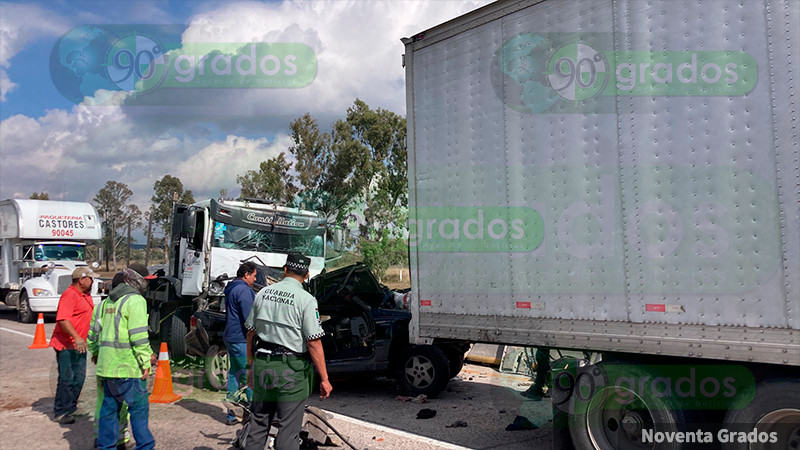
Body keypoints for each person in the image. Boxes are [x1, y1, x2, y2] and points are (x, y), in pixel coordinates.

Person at [244, 252, 332, 450]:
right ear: (307, 274)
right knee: (288, 429)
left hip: (262, 364)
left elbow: (250, 334)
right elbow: (314, 342)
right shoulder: (306, 300)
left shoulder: (262, 294)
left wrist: (250, 367)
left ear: (284, 270)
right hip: (290, 370)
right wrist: (325, 379)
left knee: (258, 423)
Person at [88, 265, 155, 450]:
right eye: (146, 281)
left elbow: (93, 335)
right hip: (129, 368)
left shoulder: (104, 304)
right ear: (137, 280)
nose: (146, 285)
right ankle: (145, 447)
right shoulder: (136, 301)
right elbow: (138, 336)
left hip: (107, 368)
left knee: (109, 411)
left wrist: (95, 353)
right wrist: (145, 360)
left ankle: (106, 446)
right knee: (139, 412)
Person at [50, 266, 99, 424]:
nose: (93, 281)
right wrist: (77, 337)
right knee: (67, 378)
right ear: (82, 280)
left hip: (81, 345)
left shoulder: (86, 296)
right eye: (90, 278)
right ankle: (61, 410)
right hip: (67, 345)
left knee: (79, 377)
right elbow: (63, 319)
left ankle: (70, 407)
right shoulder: (69, 295)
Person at [223, 261, 257, 424]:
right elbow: (249, 318)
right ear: (246, 274)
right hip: (241, 339)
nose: (255, 280)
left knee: (234, 374)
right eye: (254, 276)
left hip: (231, 336)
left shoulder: (231, 288)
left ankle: (232, 413)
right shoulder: (243, 290)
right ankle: (254, 414)